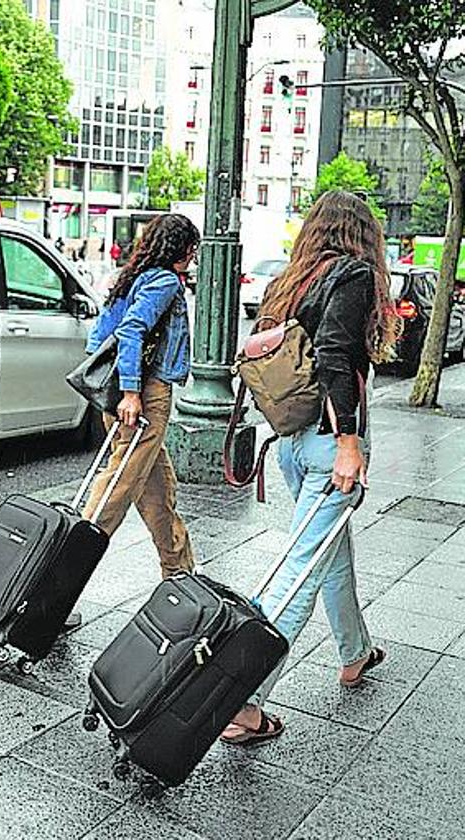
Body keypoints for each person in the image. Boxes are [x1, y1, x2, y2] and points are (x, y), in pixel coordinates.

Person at [220, 190, 401, 745]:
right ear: (362, 234)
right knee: (299, 571)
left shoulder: (290, 281)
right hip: (329, 445)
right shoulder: (352, 275)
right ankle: (245, 703)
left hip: (293, 441)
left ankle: (353, 653)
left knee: (328, 552)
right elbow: (333, 354)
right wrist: (349, 440)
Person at [82, 214, 201, 579]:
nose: (193, 257)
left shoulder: (133, 277)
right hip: (144, 397)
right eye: (192, 249)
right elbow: (132, 330)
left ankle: (179, 575)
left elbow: (99, 338)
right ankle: (60, 566)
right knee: (117, 486)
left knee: (158, 492)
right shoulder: (165, 281)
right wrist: (133, 392)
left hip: (120, 393)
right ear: (181, 249)